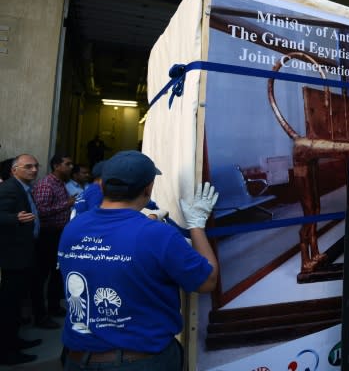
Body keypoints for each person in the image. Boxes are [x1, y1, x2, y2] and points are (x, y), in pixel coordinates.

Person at [58, 150, 220, 370]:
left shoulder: (73, 228)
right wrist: (197, 226)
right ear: (148, 188)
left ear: (103, 186)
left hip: (77, 359)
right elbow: (207, 281)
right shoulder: (155, 235)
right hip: (140, 361)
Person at [0, 154, 43, 365]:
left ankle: (15, 342)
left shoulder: (24, 188)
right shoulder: (9, 188)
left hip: (24, 254)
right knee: (8, 306)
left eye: (36, 166)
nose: (34, 170)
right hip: (12, 259)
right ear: (14, 170)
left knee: (16, 304)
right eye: (28, 167)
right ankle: (7, 352)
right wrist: (14, 218)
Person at [31, 152, 76, 328]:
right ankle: (40, 315)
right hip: (47, 236)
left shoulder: (60, 184)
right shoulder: (46, 184)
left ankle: (54, 307)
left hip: (59, 235)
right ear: (57, 166)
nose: (71, 167)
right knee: (42, 275)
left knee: (57, 272)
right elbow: (41, 211)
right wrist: (67, 204)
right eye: (68, 164)